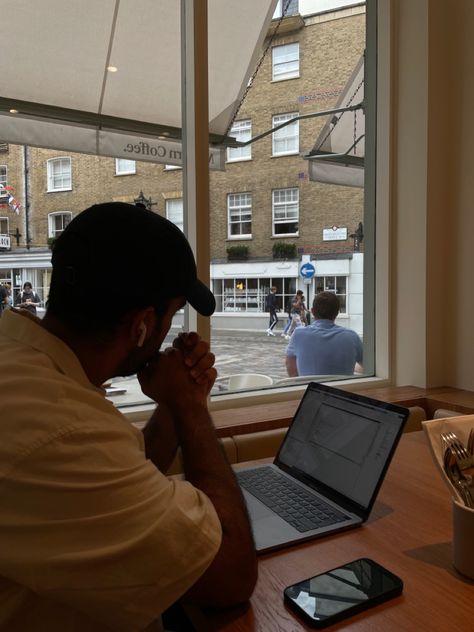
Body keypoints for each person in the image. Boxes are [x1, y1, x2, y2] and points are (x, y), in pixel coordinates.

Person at [0, 202, 257, 630]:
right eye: (172, 316)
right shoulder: (60, 429)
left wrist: (177, 403)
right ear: (142, 325)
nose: (169, 333)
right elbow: (230, 575)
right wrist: (191, 406)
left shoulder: (30, 369)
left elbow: (119, 481)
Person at [286, 291, 363, 377]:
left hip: (309, 388)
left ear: (312, 311)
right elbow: (368, 366)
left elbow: (291, 370)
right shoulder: (352, 337)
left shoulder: (298, 334)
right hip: (342, 389)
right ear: (337, 313)